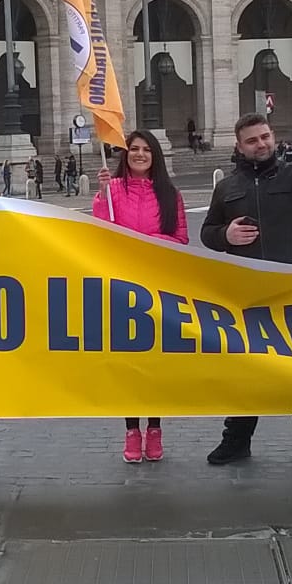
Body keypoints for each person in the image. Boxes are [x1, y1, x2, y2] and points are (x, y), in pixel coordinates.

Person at [201, 111, 292, 468]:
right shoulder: (227, 187)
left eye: (265, 136)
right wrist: (225, 236)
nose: (261, 144)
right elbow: (208, 232)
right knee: (247, 372)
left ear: (273, 136)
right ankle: (236, 440)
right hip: (246, 292)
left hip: (290, 288)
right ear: (239, 146)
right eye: (252, 140)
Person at [92, 130, 188, 463]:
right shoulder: (112, 189)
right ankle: (132, 429)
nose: (140, 154)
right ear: (125, 154)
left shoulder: (170, 194)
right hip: (122, 288)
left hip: (159, 287)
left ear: (155, 156)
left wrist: (152, 245)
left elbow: (181, 240)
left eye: (146, 149)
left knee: (155, 364)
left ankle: (155, 427)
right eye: (134, 149)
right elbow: (99, 235)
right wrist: (102, 196)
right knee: (129, 363)